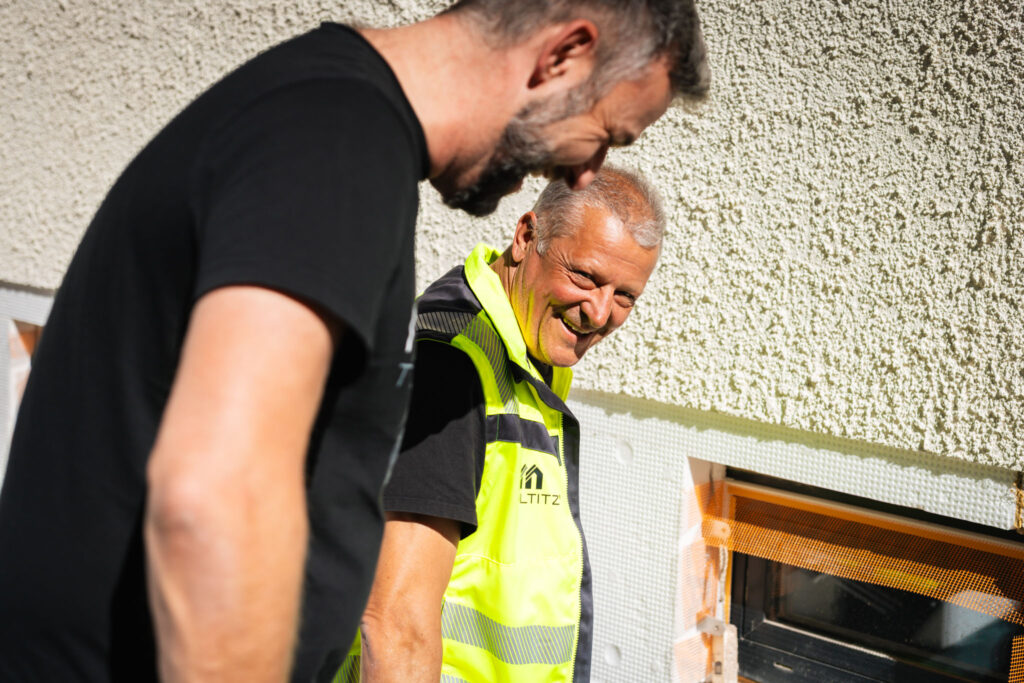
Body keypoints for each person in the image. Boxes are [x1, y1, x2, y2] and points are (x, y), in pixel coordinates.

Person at [0, 2, 708, 681]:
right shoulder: (336, 146)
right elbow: (215, 499)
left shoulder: (332, 122)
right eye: (608, 135)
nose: (585, 174)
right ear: (562, 55)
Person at [339, 165, 666, 683]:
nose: (600, 312)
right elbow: (395, 626)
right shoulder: (449, 368)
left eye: (625, 295)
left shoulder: (525, 348)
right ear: (525, 237)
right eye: (585, 276)